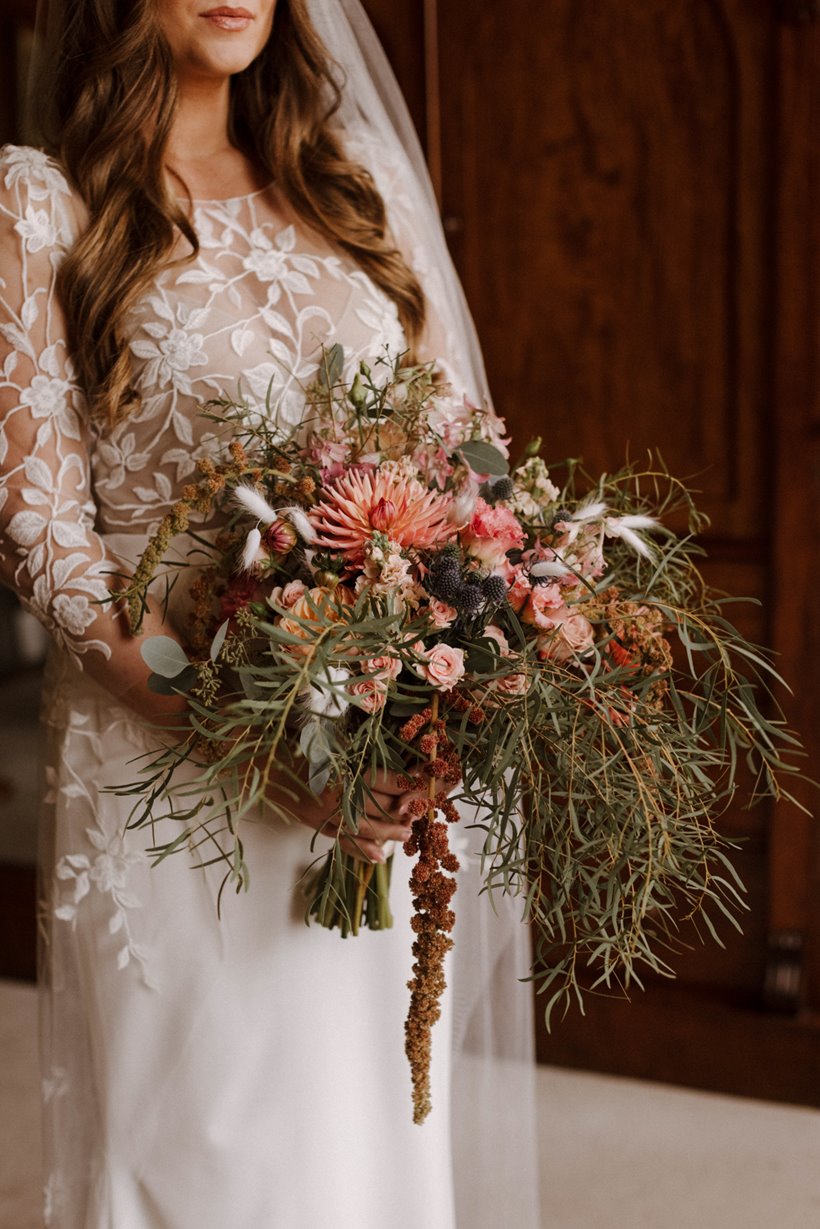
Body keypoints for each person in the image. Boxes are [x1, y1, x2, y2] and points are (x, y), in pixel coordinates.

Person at [0, 1, 539, 1225]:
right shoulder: (41, 203)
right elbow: (44, 537)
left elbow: (464, 468)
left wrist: (427, 718)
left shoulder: (359, 189)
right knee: (209, 1155)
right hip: (168, 764)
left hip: (366, 773)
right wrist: (248, 734)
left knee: (359, 1149)